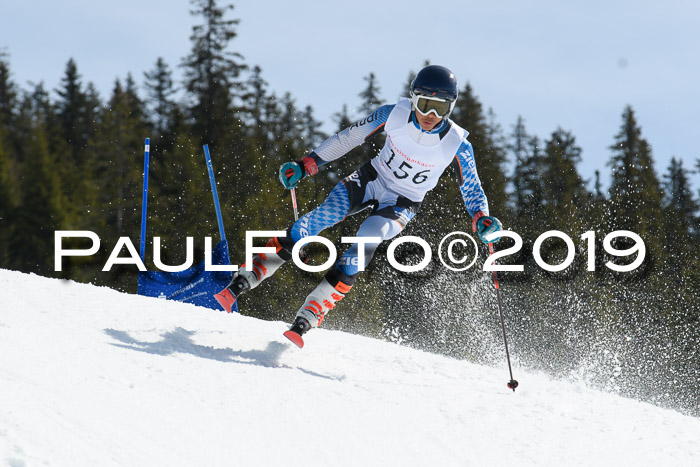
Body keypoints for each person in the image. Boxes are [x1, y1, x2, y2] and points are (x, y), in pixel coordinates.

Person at [214, 64, 503, 347]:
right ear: (413, 98)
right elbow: (350, 137)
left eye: (439, 108)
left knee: (367, 239)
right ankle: (250, 273)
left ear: (450, 108)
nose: (430, 114)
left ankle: (314, 309)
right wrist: (308, 163)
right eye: (424, 104)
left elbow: (472, 188)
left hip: (403, 202)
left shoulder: (457, 144)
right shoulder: (394, 114)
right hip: (370, 178)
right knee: (319, 219)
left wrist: (482, 217)